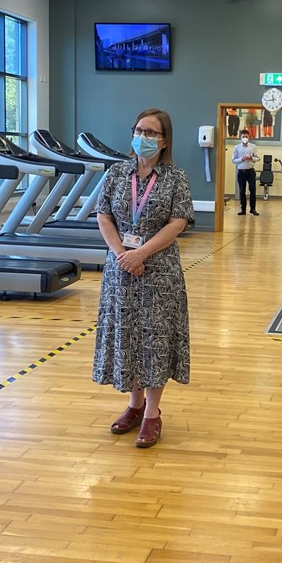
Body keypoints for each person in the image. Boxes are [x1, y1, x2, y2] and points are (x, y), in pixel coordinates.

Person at [94, 108, 195, 449]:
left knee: (155, 340)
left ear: (164, 140)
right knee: (129, 336)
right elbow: (103, 215)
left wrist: (142, 253)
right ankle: (134, 406)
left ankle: (152, 414)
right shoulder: (116, 174)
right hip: (120, 269)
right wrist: (122, 253)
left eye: (152, 133)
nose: (144, 137)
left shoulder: (175, 178)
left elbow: (178, 222)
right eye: (140, 130)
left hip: (159, 271)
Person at [232, 130, 259, 215]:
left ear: (249, 137)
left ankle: (253, 209)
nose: (245, 138)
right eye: (243, 136)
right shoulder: (236, 148)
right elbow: (233, 160)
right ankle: (243, 209)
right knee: (242, 191)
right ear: (241, 137)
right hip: (241, 172)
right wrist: (242, 159)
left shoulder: (253, 146)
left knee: (252, 190)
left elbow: (258, 158)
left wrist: (251, 158)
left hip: (250, 171)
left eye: (246, 136)